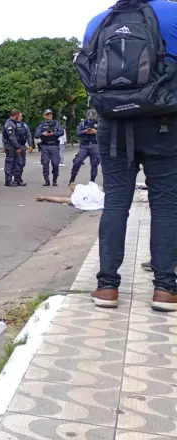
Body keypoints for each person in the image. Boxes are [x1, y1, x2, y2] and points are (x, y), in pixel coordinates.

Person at [78, 0, 177, 311]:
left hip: (114, 122)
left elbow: (88, 70)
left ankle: (106, 286)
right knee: (165, 203)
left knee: (116, 201)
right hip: (165, 120)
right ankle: (165, 289)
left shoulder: (98, 21)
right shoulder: (173, 13)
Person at [34, 109, 65, 186]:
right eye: (47, 114)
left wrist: (53, 134)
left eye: (50, 114)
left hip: (54, 145)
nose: (49, 115)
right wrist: (43, 134)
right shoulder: (42, 125)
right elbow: (36, 135)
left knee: (55, 164)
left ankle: (54, 180)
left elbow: (61, 132)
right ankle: (46, 180)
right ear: (44, 116)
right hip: (45, 146)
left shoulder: (56, 123)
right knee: (45, 164)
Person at [69, 109, 100, 184]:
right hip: (84, 145)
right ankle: (72, 179)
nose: (92, 116)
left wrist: (96, 132)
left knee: (94, 164)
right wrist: (84, 131)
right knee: (77, 162)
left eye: (93, 115)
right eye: (90, 115)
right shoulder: (83, 123)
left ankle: (92, 182)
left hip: (95, 144)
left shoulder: (100, 123)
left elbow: (105, 133)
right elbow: (78, 133)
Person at [2, 109, 23, 187]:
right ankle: (8, 181)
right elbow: (11, 137)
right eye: (19, 115)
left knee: (18, 163)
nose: (20, 117)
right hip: (11, 147)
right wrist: (17, 147)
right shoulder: (9, 124)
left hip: (14, 146)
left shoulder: (13, 123)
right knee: (9, 163)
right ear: (16, 114)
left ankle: (17, 180)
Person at [14, 113, 34, 186]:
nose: (20, 117)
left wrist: (30, 145)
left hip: (22, 146)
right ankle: (17, 179)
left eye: (21, 116)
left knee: (22, 163)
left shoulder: (25, 126)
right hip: (14, 146)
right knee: (17, 163)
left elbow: (29, 135)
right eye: (18, 116)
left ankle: (18, 177)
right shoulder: (12, 124)